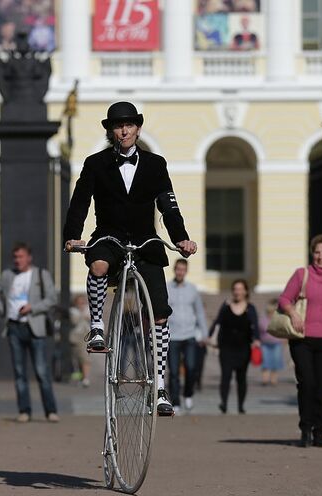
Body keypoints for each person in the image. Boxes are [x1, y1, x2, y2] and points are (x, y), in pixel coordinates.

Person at [63, 101, 198, 417]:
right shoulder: (95, 164)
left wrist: (180, 237)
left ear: (137, 128)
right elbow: (80, 202)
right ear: (111, 131)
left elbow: (169, 206)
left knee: (161, 314)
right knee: (97, 264)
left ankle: (161, 387)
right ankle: (97, 325)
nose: (123, 130)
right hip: (108, 236)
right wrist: (71, 235)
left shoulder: (155, 164)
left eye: (129, 125)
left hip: (145, 242)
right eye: (117, 125)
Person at [278, 234, 322, 448]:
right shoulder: (302, 275)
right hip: (302, 340)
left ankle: (321, 432)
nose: (320, 256)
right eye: (317, 252)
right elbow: (284, 300)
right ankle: (305, 429)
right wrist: (293, 313)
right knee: (307, 384)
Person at [0, 242, 59, 423]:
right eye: (15, 257)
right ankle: (24, 411)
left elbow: (52, 298)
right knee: (19, 373)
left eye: (21, 256)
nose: (17, 260)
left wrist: (32, 308)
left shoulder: (41, 275)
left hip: (35, 328)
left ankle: (50, 411)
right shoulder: (7, 275)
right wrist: (2, 309)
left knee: (42, 372)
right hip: (14, 327)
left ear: (29, 257)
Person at [208, 279, 260, 414]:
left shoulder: (250, 308)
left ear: (245, 291)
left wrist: (257, 340)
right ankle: (223, 403)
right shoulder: (225, 306)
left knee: (241, 378)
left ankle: (241, 406)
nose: (237, 292)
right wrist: (210, 335)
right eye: (235, 289)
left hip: (243, 348)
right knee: (225, 376)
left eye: (240, 289)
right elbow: (217, 322)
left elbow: (255, 326)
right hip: (226, 347)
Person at [166, 258, 208, 413]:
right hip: (172, 336)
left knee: (191, 368)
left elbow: (200, 312)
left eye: (183, 269)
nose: (180, 272)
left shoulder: (192, 289)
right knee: (174, 372)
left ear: (186, 271)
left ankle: (188, 394)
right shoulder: (167, 288)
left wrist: (205, 334)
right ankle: (175, 401)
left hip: (190, 335)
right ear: (174, 270)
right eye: (178, 269)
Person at [258, 300, 284, 386]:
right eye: (269, 312)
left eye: (273, 312)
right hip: (265, 343)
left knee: (275, 361)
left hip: (277, 343)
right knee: (265, 361)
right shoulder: (263, 319)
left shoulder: (279, 318)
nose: (271, 314)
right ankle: (265, 379)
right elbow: (263, 328)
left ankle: (273, 380)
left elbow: (282, 329)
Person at [68, 294, 91, 387]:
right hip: (76, 337)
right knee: (77, 359)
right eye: (79, 302)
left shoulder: (88, 310)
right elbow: (74, 321)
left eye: (83, 302)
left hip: (86, 336)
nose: (82, 304)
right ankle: (81, 378)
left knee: (85, 358)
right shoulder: (73, 311)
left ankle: (85, 378)